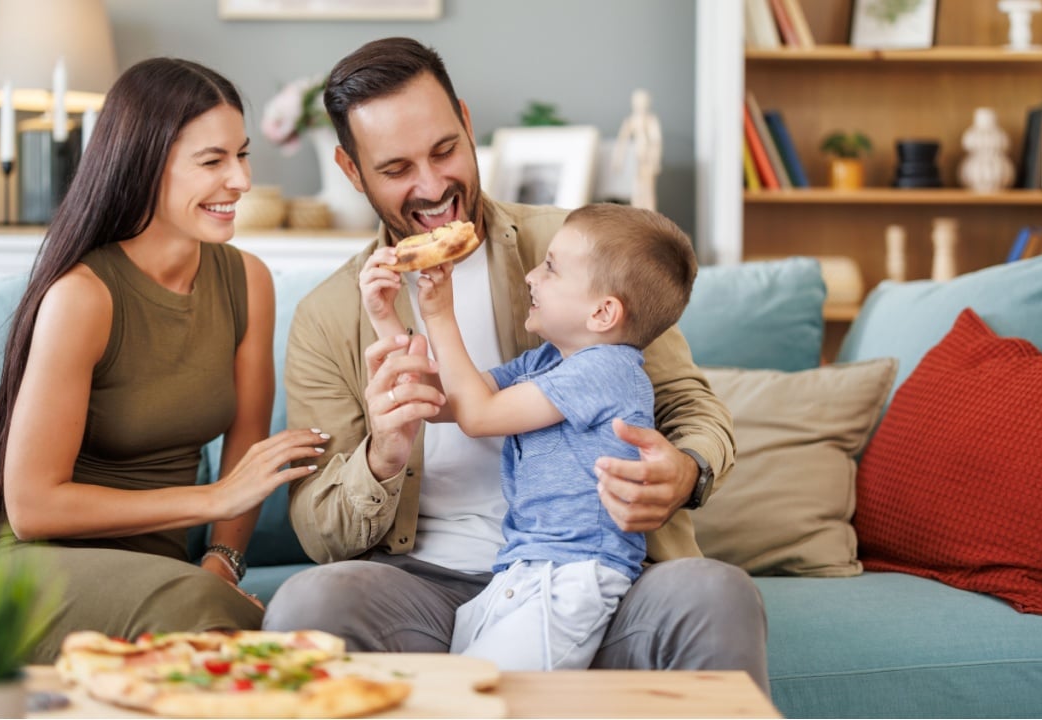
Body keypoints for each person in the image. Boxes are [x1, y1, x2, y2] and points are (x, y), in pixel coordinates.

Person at [266, 37, 768, 690]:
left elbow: (690, 406)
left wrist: (685, 468)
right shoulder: (328, 315)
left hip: (592, 572)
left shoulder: (581, 249)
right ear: (351, 170)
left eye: (445, 150)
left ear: (469, 125)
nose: (433, 185)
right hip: (426, 582)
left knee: (714, 592)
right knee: (310, 606)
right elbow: (316, 526)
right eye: (395, 169)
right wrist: (383, 456)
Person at [0, 57, 328, 663]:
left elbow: (245, 447)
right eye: (212, 161)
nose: (240, 180)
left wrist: (223, 560)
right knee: (211, 624)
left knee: (207, 611)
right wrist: (212, 499)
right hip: (37, 568)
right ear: (144, 165)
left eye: (242, 155)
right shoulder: (83, 296)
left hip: (163, 578)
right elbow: (32, 508)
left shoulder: (248, 281)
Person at [360, 203, 698, 671]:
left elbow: (478, 415)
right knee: (462, 692)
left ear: (603, 312)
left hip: (573, 576)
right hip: (522, 571)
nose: (531, 276)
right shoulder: (546, 363)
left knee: (479, 696)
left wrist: (439, 315)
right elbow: (440, 400)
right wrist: (385, 316)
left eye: (551, 268)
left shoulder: (608, 369)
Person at [612, 88, 662, 212]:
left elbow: (657, 141)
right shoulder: (630, 121)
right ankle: (638, 216)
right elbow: (622, 142)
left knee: (648, 190)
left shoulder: (651, 120)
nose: (641, 104)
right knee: (636, 190)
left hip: (648, 159)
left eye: (644, 101)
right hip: (636, 160)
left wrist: (655, 161)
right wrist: (618, 160)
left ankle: (650, 216)